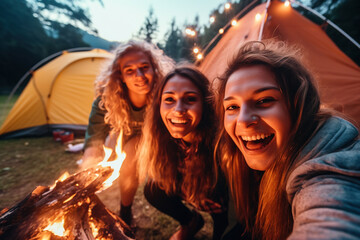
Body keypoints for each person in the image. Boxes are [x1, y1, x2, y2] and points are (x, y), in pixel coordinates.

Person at [214, 40, 360, 239]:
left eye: (264, 100)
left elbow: (333, 215)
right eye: (232, 107)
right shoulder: (248, 159)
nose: (243, 119)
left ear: (299, 105)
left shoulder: (327, 169)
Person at [81, 40, 174, 226]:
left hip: (158, 142)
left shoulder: (166, 93)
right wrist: (86, 172)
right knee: (125, 151)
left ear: (155, 68)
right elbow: (94, 137)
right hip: (123, 140)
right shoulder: (107, 98)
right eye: (129, 70)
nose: (139, 76)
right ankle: (126, 211)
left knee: (133, 150)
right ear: (121, 76)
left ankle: (127, 211)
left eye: (144, 67)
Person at [137, 66, 228, 240]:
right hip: (192, 194)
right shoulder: (162, 137)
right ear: (159, 105)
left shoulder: (221, 144)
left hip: (223, 209)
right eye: (169, 99)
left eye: (190, 99)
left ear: (206, 103)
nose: (178, 109)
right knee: (153, 189)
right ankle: (191, 221)